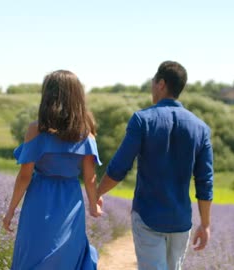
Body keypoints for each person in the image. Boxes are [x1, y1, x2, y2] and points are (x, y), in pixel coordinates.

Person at [96, 61, 213, 270]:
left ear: (161, 84)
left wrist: (97, 193)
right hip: (180, 221)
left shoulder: (142, 120)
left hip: (148, 215)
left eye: (153, 81)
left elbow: (119, 167)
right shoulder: (200, 128)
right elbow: (204, 181)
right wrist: (205, 224)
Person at [2, 70, 103, 270]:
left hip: (39, 201)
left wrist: (11, 209)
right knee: (66, 255)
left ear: (48, 95)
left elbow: (24, 176)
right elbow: (90, 178)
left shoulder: (35, 130)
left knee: (33, 254)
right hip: (70, 202)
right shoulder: (86, 134)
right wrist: (93, 204)